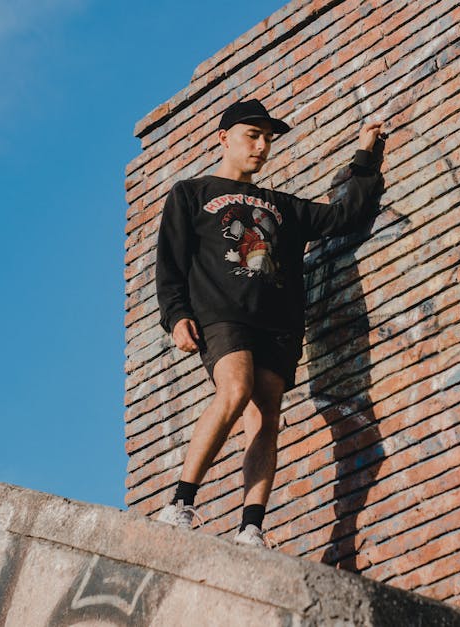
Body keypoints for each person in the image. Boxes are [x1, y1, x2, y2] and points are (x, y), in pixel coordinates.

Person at [154, 98, 385, 547]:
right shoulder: (190, 193)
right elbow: (171, 262)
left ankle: (251, 527)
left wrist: (366, 153)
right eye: (252, 136)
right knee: (235, 389)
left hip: (279, 324)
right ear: (224, 138)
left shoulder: (283, 206)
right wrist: (176, 316)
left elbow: (343, 216)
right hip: (223, 315)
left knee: (266, 415)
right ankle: (180, 502)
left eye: (267, 139)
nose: (261, 146)